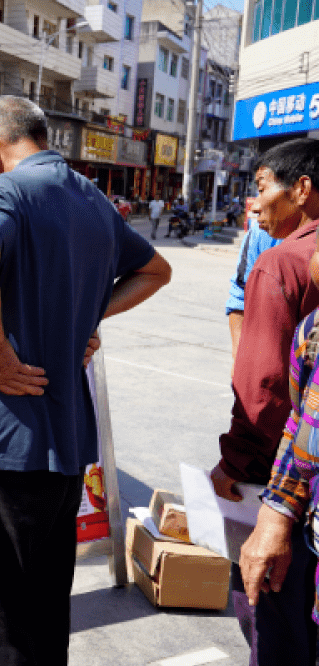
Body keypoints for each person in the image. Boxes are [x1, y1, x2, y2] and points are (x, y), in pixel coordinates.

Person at [0, 96, 171, 666]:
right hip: (65, 449)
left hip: (4, 446)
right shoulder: (91, 198)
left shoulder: (4, 191)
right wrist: (86, 314)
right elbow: (155, 270)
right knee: (45, 614)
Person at [210, 139, 319, 666]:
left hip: (282, 485)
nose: (254, 205)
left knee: (271, 617)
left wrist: (235, 464)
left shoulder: (280, 264)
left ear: (300, 190)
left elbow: (266, 392)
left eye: (261, 188)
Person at [224, 218, 280, 366]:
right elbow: (240, 299)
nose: (255, 206)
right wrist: (239, 361)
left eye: (262, 192)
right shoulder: (260, 234)